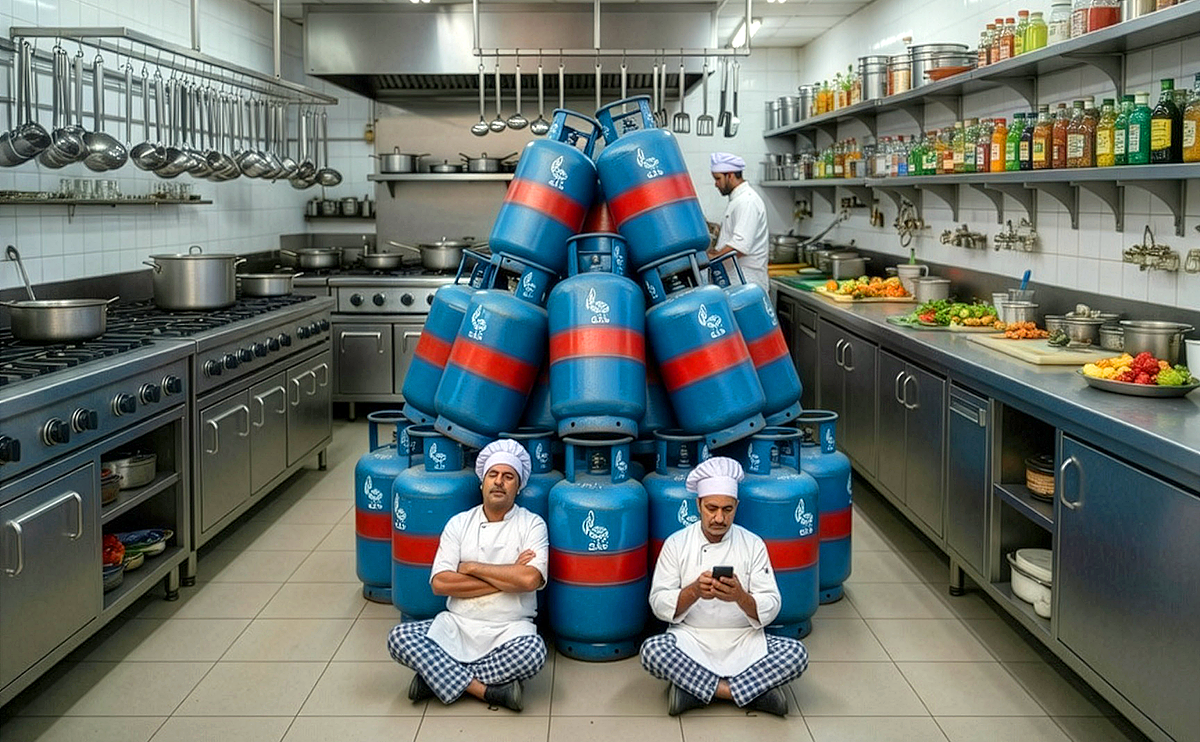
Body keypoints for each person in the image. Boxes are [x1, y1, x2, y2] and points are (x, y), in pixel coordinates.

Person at [387, 439, 549, 712]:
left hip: (508, 628)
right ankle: (486, 691)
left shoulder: (532, 524)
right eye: (493, 475)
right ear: (482, 482)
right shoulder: (459, 523)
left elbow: (529, 580)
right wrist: (508, 575)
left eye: (508, 477)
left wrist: (472, 567)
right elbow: (440, 583)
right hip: (458, 624)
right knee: (398, 638)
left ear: (518, 486)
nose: (499, 482)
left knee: (534, 653)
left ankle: (435, 677)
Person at [639, 456, 808, 716]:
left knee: (797, 654)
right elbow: (659, 603)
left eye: (727, 510)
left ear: (736, 507)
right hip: (691, 638)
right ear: (698, 504)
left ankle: (697, 691)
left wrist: (741, 597)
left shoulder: (753, 544)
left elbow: (772, 605)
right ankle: (747, 693)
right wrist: (694, 591)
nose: (719, 518)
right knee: (651, 652)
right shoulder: (676, 544)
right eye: (712, 508)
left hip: (743, 641)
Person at [707, 152, 770, 291]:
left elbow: (740, 246)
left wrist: (712, 257)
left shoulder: (747, 201)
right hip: (736, 282)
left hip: (747, 284)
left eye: (718, 178)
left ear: (730, 175)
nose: (716, 184)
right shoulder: (737, 200)